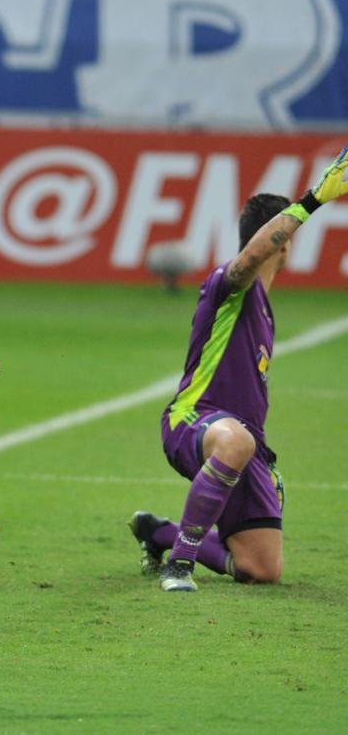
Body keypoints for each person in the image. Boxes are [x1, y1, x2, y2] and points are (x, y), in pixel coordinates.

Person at [129, 147, 348, 592]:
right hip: (194, 420)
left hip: (245, 443)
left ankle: (161, 533)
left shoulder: (266, 310)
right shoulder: (228, 286)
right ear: (283, 242)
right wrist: (311, 202)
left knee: (261, 570)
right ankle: (180, 565)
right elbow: (248, 261)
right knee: (235, 440)